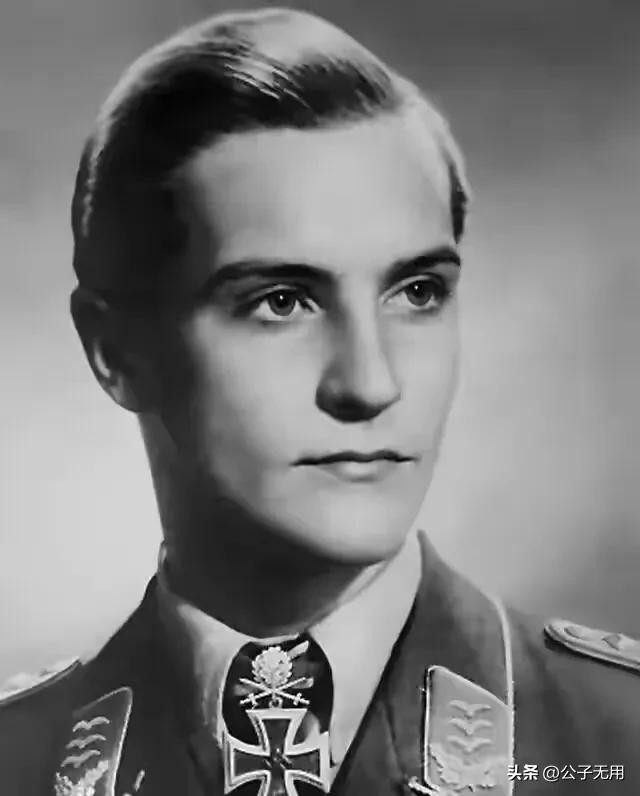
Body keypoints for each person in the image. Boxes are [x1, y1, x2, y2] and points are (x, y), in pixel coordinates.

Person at [1, 8, 638, 796]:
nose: (371, 383)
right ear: (115, 351)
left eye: (417, 291)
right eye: (281, 301)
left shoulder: (620, 736)